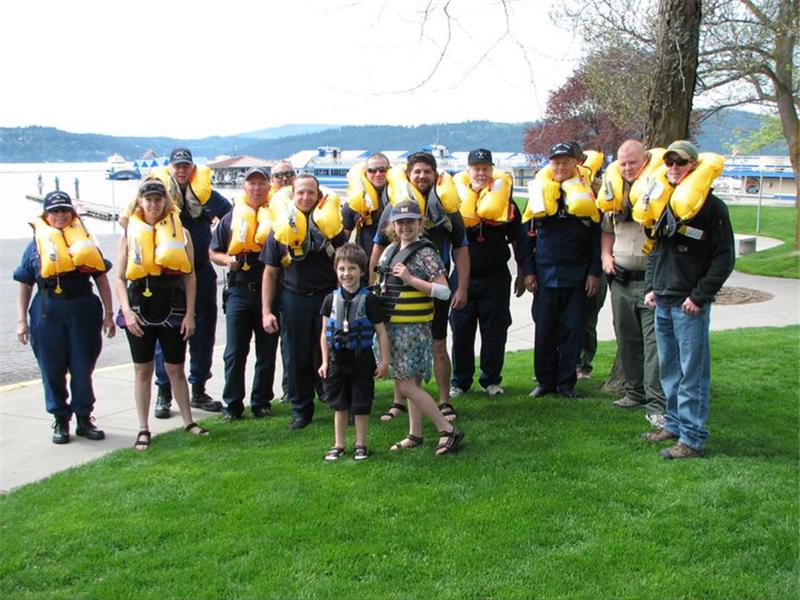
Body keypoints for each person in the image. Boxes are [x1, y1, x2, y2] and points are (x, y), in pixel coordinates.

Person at [642, 140, 734, 459]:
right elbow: (656, 251)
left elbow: (724, 258)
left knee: (691, 371)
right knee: (669, 369)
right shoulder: (665, 203)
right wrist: (650, 287)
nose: (673, 168)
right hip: (663, 301)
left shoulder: (712, 207)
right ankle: (674, 424)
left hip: (689, 305)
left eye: (680, 163)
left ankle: (692, 439)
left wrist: (700, 296)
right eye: (669, 162)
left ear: (693, 166)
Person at [369, 152, 469, 422]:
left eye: (427, 171)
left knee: (438, 345)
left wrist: (462, 288)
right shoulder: (394, 207)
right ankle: (399, 401)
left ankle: (444, 401)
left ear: (435, 175)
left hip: (432, 289)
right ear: (408, 175)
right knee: (398, 347)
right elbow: (378, 249)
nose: (422, 176)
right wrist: (371, 288)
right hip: (397, 297)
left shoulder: (448, 207)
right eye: (417, 172)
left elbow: (461, 248)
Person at [115, 178, 210, 450]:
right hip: (139, 307)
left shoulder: (183, 234)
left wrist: (190, 314)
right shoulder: (128, 235)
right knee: (142, 370)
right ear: (140, 202)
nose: (154, 204)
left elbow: (190, 276)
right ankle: (143, 429)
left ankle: (189, 422)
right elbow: (120, 278)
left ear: (166, 202)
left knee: (176, 368)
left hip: (173, 304)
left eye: (158, 199)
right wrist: (127, 312)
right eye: (149, 200)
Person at [14, 191, 115, 444]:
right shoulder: (36, 245)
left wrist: (109, 315)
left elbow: (101, 278)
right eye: (54, 211)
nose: (59, 215)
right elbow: (25, 285)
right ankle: (60, 418)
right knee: (51, 368)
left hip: (82, 308)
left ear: (72, 213)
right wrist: (21, 321)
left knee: (83, 367)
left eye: (64, 210)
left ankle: (84, 418)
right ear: (45, 215)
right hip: (47, 311)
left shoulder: (85, 242)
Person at [374, 201, 464, 455]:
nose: (405, 226)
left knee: (404, 386)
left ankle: (447, 430)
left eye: (411, 221)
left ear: (420, 223)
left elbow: (445, 291)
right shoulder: (390, 250)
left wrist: (411, 280)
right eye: (400, 222)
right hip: (394, 326)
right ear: (393, 224)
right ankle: (415, 434)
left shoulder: (426, 253)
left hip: (412, 329)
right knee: (411, 382)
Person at [261, 174, 348, 430]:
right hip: (293, 300)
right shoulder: (280, 230)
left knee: (334, 352)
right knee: (296, 356)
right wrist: (266, 311)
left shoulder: (333, 228)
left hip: (326, 298)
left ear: (319, 196)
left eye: (311, 192)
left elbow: (347, 266)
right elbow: (270, 272)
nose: (306, 197)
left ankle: (339, 402)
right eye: (300, 192)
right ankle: (301, 409)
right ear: (292, 195)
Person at [153, 148, 231, 419]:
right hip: (168, 280)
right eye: (177, 166)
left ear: (192, 169)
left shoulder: (206, 194)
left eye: (186, 166)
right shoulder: (158, 195)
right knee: (166, 336)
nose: (181, 170)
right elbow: (134, 218)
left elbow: (231, 214)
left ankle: (198, 388)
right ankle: (163, 392)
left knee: (203, 333)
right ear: (170, 168)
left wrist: (220, 237)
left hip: (201, 272)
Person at [520, 142, 601, 399]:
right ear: (550, 164)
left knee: (571, 331)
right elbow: (526, 239)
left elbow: (597, 239)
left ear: (575, 163)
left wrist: (593, 272)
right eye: (556, 162)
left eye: (566, 161)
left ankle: (567, 384)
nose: (560, 166)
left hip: (577, 277)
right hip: (544, 277)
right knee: (544, 331)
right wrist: (528, 272)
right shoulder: (539, 195)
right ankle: (545, 381)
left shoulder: (587, 194)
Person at [598, 140, 666, 425]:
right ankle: (633, 392)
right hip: (621, 281)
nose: (627, 168)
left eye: (632, 163)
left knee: (653, 345)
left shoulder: (660, 189)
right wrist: (605, 256)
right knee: (627, 339)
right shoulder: (613, 192)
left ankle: (657, 404)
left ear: (645, 159)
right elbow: (606, 232)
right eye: (622, 163)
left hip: (651, 281)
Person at [449, 149, 521, 398]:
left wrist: (524, 272)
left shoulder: (506, 203)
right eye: (476, 168)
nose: (481, 173)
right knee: (460, 331)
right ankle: (460, 380)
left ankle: (491, 379)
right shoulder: (455, 202)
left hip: (496, 277)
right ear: (468, 171)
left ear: (492, 171)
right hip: (462, 278)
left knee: (495, 331)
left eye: (485, 169)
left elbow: (518, 239)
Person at [209, 167, 279, 421]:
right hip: (239, 292)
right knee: (235, 351)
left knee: (267, 350)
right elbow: (213, 252)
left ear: (269, 186)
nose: (257, 188)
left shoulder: (278, 216)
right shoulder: (230, 219)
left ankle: (261, 401)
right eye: (252, 183)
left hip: (269, 293)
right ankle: (233, 404)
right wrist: (228, 260)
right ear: (245, 187)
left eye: (262, 183)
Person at [318, 244, 391, 461]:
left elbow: (381, 333)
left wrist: (384, 361)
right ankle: (339, 444)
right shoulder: (330, 299)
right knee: (339, 404)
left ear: (361, 271)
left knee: (361, 404)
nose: (346, 274)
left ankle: (361, 444)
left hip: (362, 359)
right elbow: (324, 334)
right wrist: (324, 362)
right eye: (341, 269)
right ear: (336, 271)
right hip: (337, 360)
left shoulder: (369, 300)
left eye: (351, 269)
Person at [343, 153, 391, 259]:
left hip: (396, 264)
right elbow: (343, 242)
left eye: (383, 170)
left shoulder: (399, 199)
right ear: (365, 173)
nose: (378, 174)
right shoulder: (353, 204)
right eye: (372, 170)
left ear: (390, 171)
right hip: (364, 263)